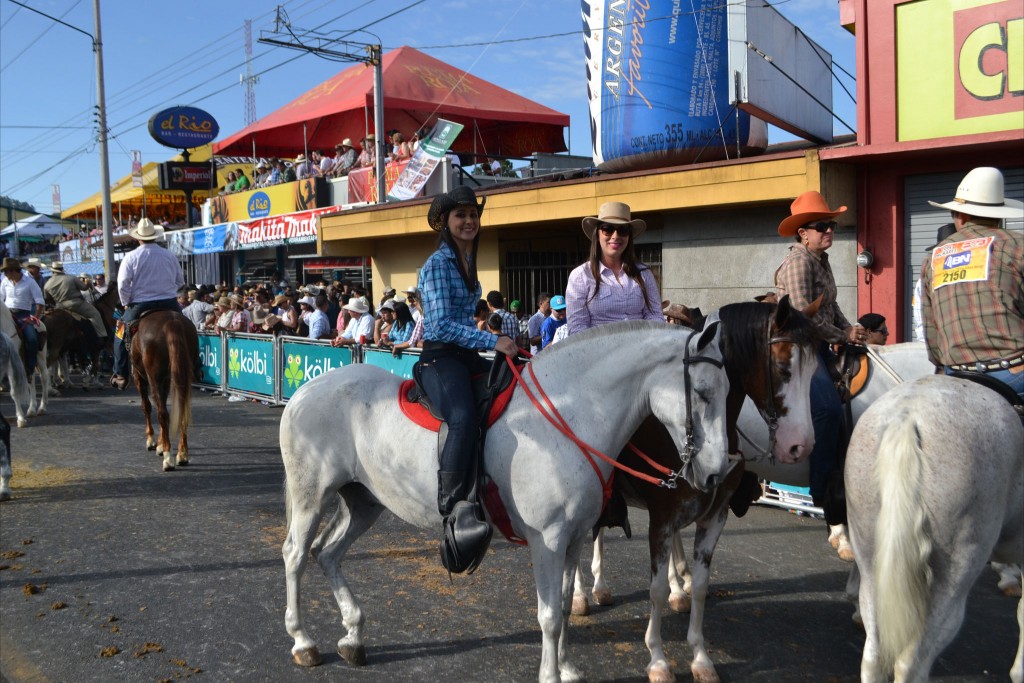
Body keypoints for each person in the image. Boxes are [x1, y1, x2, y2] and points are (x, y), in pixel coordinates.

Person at [414, 186, 518, 570]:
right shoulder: (439, 264)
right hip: (440, 359)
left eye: (473, 215)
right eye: (460, 215)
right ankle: (453, 506)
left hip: (466, 355)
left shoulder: (466, 260)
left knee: (514, 390)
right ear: (446, 222)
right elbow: (441, 326)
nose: (469, 221)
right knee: (462, 417)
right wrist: (492, 339)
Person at [774, 190, 862, 551]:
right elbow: (803, 317)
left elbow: (830, 306)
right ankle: (823, 489)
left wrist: (851, 329)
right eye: (821, 226)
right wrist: (842, 335)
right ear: (803, 233)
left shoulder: (821, 260)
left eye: (831, 225)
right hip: (800, 347)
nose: (829, 231)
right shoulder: (799, 263)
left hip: (823, 343)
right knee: (827, 408)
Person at [920, 166, 1024, 401]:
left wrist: (943, 365)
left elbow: (931, 330)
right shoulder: (1017, 246)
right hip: (1014, 372)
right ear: (998, 215)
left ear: (961, 216)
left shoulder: (933, 258)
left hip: (957, 375)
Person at [566, 201, 661, 336]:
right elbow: (577, 329)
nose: (615, 236)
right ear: (597, 234)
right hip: (599, 348)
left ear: (629, 236)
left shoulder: (644, 273)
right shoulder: (580, 276)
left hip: (641, 346)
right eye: (608, 229)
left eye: (623, 230)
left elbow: (655, 316)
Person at [110, 218, 185, 390]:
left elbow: (122, 285)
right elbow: (180, 281)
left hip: (141, 304)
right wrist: (167, 290)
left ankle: (120, 373)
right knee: (189, 327)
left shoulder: (131, 256)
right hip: (169, 302)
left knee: (119, 332)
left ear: (138, 237)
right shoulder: (169, 255)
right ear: (155, 236)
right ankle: (197, 366)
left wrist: (126, 302)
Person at [0, 257, 44, 378]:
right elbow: (0, 299)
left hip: (23, 315)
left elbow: (40, 301)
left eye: (6, 272)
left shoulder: (30, 282)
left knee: (32, 339)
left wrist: (34, 318)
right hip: (7, 313)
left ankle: (30, 367)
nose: (4, 274)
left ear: (13, 270)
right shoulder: (5, 281)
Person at [44, 261, 107, 341]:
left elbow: (47, 299)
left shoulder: (47, 284)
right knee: (95, 314)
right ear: (62, 269)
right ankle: (102, 337)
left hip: (59, 307)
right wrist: (88, 283)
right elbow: (84, 288)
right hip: (76, 304)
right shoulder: (71, 278)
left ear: (52, 271)